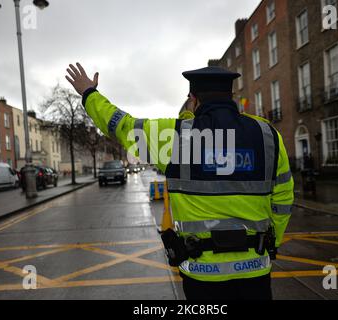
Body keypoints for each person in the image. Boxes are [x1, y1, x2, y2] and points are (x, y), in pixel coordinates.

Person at [65, 63, 294, 300]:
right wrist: (269, 242)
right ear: (231, 96)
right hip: (255, 271)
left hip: (203, 275)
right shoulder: (268, 135)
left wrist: (89, 94)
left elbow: (120, 126)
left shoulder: (174, 137)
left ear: (193, 99)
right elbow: (284, 200)